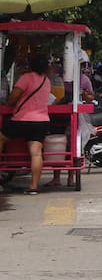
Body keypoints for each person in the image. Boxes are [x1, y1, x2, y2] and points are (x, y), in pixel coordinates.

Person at [0, 53, 52, 194]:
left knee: (1, 138)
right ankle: (34, 186)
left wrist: (8, 102)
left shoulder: (26, 78)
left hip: (22, 120)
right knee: (36, 153)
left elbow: (13, 98)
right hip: (41, 122)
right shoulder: (46, 81)